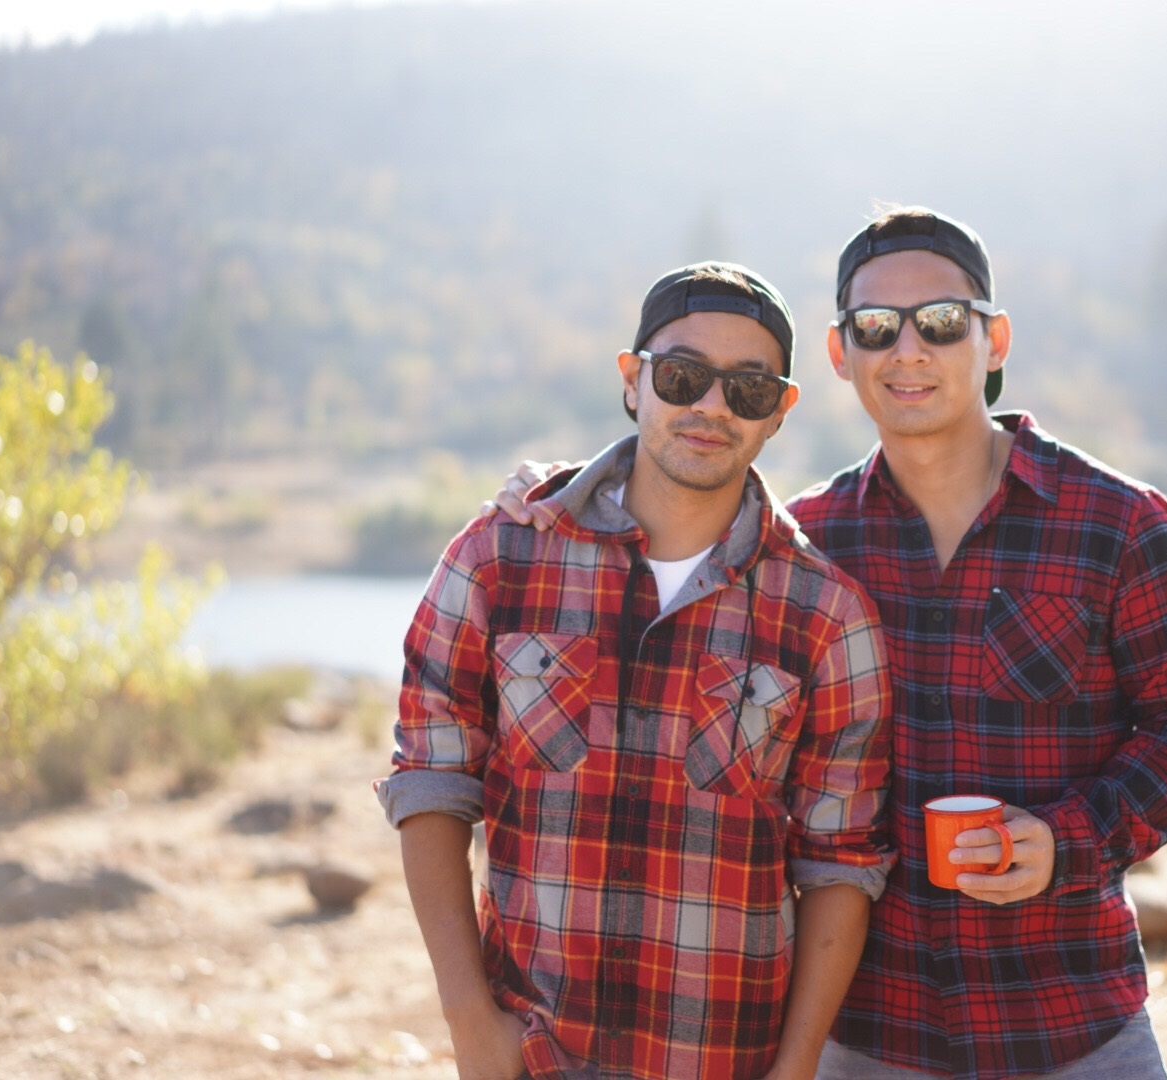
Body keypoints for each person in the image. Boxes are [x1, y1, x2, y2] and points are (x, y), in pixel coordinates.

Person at [494, 209, 1167, 1080]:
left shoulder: (1116, 522)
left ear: (993, 339)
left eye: (942, 322)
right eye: (877, 328)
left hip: (1073, 1024)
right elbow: (672, 505)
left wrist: (1070, 838)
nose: (909, 350)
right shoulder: (803, 543)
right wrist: (556, 494)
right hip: (864, 1036)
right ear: (842, 355)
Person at [380, 261, 895, 1080]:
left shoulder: (827, 616)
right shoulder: (499, 558)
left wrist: (794, 1068)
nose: (711, 408)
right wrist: (468, 1018)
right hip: (532, 1055)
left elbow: (841, 862)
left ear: (780, 412)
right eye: (684, 376)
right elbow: (431, 783)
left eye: (748, 389)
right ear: (633, 380)